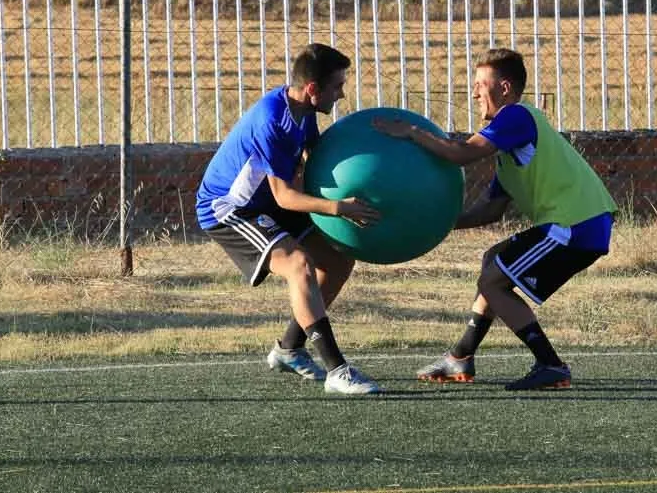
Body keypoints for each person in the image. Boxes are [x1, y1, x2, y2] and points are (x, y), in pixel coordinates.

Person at [373, 48, 617, 390]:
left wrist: (414, 132)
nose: (473, 93)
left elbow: (463, 154)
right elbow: (489, 210)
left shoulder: (515, 116)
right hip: (573, 224)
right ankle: (461, 356)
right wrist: (432, 224)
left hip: (574, 225)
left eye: (479, 84)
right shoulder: (511, 148)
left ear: (503, 88)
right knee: (493, 262)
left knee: (493, 281)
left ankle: (551, 365)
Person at [196, 43, 383, 395]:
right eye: (337, 86)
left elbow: (314, 160)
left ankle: (289, 349)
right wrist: (340, 208)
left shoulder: (304, 110)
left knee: (338, 258)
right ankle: (337, 370)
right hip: (231, 209)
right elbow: (285, 196)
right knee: (299, 265)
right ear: (313, 89)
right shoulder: (272, 119)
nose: (342, 94)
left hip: (268, 201)